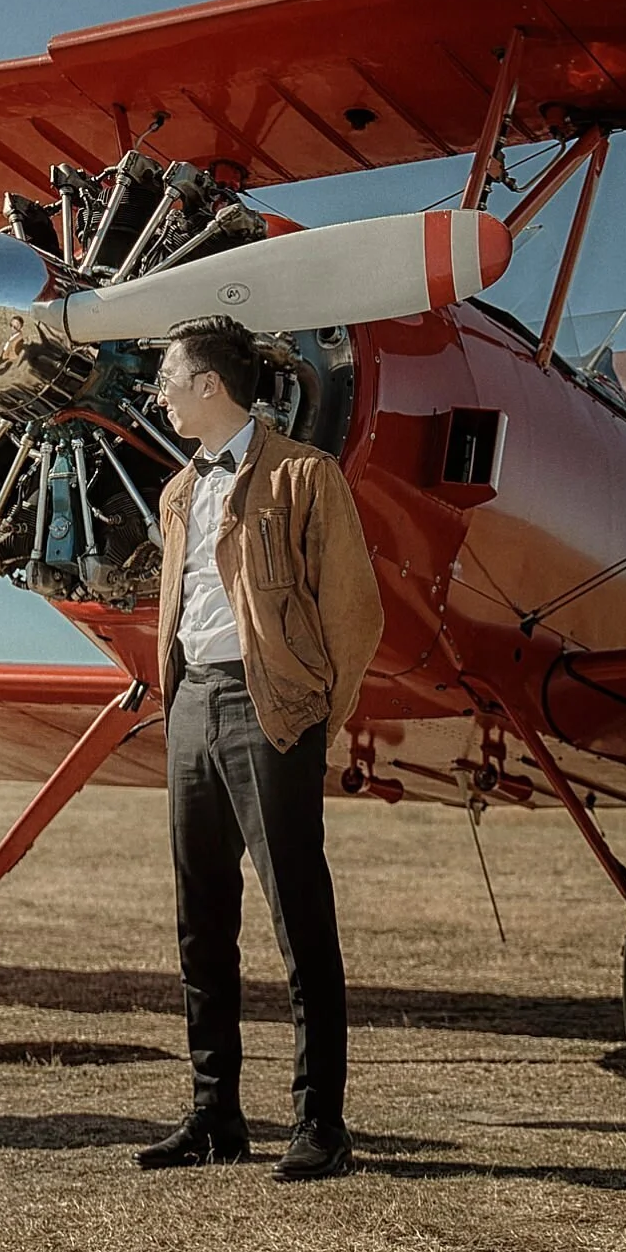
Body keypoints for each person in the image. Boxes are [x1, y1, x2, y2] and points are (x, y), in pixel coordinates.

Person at [134, 315, 382, 1182]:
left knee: (297, 917)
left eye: (168, 377)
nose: (157, 393)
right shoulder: (177, 493)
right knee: (201, 919)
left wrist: (313, 714)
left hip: (272, 710)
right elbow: (185, 604)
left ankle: (322, 1124)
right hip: (194, 705)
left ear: (210, 386)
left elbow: (354, 614)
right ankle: (215, 1117)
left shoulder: (307, 477)